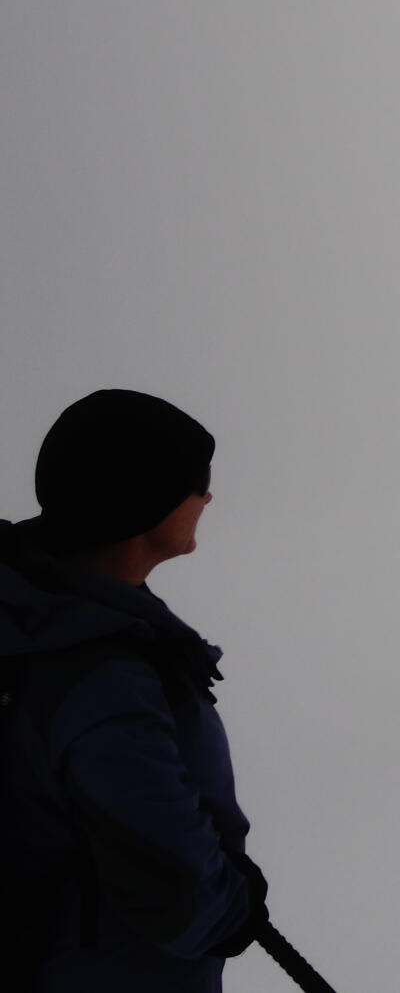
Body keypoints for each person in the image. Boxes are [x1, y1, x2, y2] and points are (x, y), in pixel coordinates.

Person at [0, 389, 267, 992]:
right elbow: (176, 891)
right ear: (144, 506)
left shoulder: (34, 606)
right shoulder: (101, 677)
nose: (208, 498)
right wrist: (234, 906)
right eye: (197, 483)